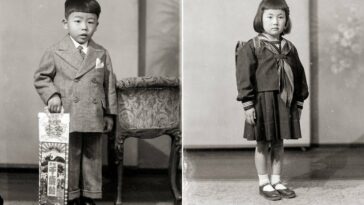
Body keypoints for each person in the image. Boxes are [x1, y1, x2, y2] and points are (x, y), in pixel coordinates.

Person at [34, 0, 117, 204]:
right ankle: (70, 196)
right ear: (65, 23)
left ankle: (90, 195)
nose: (84, 27)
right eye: (78, 21)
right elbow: (41, 77)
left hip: (93, 113)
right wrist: (52, 95)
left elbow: (109, 85)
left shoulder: (101, 53)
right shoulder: (55, 51)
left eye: (91, 22)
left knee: (93, 157)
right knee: (69, 155)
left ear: (97, 25)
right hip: (68, 113)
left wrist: (109, 114)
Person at [235, 0, 309, 201]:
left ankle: (276, 180)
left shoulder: (290, 47)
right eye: (269, 17)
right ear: (261, 19)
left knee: (278, 142)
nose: (275, 22)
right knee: (262, 143)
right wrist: (248, 104)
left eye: (280, 17)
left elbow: (300, 75)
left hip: (284, 101)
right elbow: (244, 77)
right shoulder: (252, 46)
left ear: (286, 21)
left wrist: (299, 101)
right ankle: (264, 182)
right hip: (262, 101)